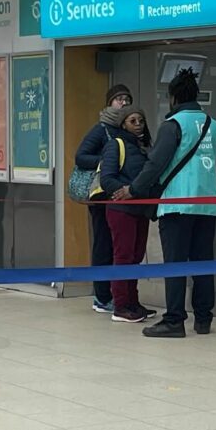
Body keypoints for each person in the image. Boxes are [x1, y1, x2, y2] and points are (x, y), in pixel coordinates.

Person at [116, 69, 216, 338]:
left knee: (175, 264)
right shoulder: (213, 125)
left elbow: (156, 164)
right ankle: (203, 318)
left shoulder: (172, 125)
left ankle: (174, 320)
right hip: (208, 203)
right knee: (203, 263)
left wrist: (134, 189)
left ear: (173, 97)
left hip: (177, 204)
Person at [74, 83, 133, 314]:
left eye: (127, 99)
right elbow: (81, 157)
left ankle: (121, 296)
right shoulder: (101, 129)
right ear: (109, 103)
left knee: (120, 247)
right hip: (101, 195)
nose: (123, 102)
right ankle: (101, 296)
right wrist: (107, 160)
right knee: (103, 244)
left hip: (121, 197)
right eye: (119, 99)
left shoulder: (129, 128)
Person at [99, 106, 157, 323]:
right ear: (123, 124)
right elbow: (107, 178)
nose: (138, 124)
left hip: (141, 210)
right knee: (123, 256)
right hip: (121, 210)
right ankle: (120, 305)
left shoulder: (145, 147)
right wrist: (127, 192)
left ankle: (133, 301)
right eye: (133, 121)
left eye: (141, 120)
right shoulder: (116, 145)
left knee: (136, 256)